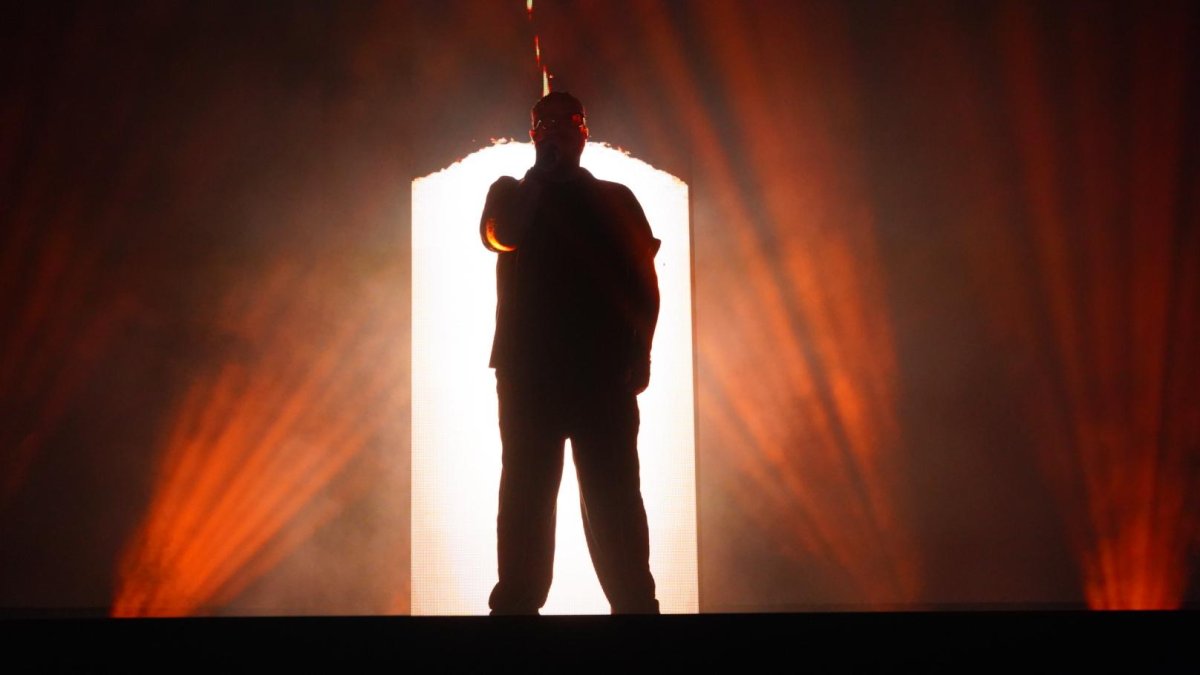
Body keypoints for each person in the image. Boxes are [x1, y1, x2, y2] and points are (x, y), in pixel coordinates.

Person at [479, 91, 661, 615]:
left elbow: (644, 283)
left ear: (585, 132)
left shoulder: (616, 199)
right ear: (533, 135)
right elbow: (502, 235)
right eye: (545, 123)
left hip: (601, 375)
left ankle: (635, 607)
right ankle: (517, 608)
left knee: (614, 498)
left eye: (568, 121)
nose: (555, 129)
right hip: (528, 373)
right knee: (526, 495)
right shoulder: (510, 191)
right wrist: (538, 179)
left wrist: (641, 350)